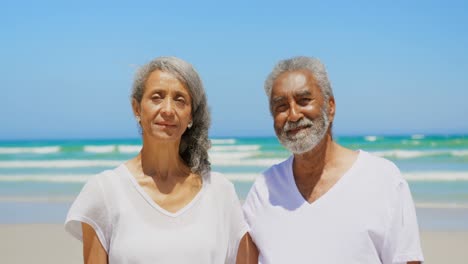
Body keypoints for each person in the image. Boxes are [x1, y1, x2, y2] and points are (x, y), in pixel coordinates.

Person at [65, 56, 248, 264]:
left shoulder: (220, 192)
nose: (168, 110)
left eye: (180, 100)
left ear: (191, 117)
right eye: (157, 97)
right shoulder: (105, 191)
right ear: (137, 108)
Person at [241, 56, 424, 263]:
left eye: (304, 101)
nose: (293, 115)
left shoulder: (383, 180)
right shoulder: (264, 189)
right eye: (281, 107)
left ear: (330, 106)